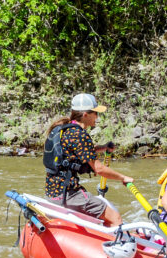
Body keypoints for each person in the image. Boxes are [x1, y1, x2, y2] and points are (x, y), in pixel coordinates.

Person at [44, 93, 133, 226]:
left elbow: (73, 153)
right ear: (85, 115)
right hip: (69, 195)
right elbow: (99, 169)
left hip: (52, 192)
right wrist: (123, 178)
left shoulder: (62, 129)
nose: (97, 117)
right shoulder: (80, 134)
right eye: (95, 113)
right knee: (115, 218)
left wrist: (102, 148)